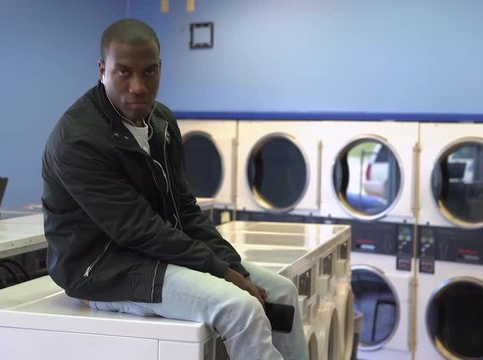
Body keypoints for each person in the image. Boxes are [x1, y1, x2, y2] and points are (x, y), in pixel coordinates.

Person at [42, 18, 308, 360]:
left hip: (155, 256)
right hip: (103, 270)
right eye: (124, 72)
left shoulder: (161, 121)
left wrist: (233, 267)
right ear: (102, 69)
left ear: (160, 69)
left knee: (281, 292)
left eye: (149, 72)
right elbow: (138, 229)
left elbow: (185, 210)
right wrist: (224, 274)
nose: (138, 86)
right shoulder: (79, 140)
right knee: (241, 308)